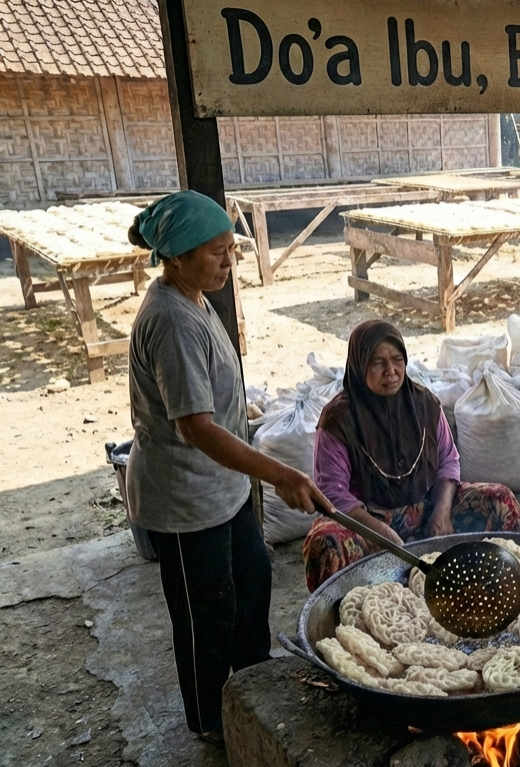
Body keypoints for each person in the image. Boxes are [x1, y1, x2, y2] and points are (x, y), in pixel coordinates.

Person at [125, 190, 330, 743]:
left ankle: (253, 688)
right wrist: (280, 473)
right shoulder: (171, 320)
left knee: (252, 577)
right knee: (205, 614)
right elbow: (195, 427)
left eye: (230, 250)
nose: (229, 261)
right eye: (217, 252)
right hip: (185, 499)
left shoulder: (195, 297)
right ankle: (212, 720)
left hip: (223, 487)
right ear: (176, 256)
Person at [302, 320, 520, 592]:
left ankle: (499, 589)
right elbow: (331, 493)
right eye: (378, 363)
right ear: (360, 365)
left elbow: (448, 460)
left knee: (500, 500)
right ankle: (347, 612)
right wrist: (382, 533)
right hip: (366, 522)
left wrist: (441, 512)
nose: (391, 371)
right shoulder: (338, 419)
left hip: (426, 509)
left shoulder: (424, 404)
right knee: (325, 543)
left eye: (397, 360)